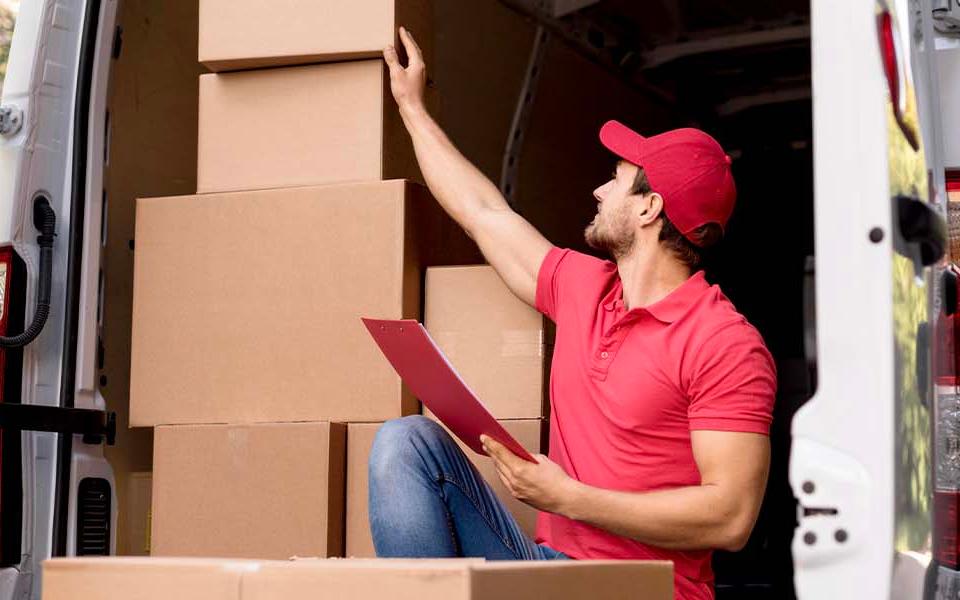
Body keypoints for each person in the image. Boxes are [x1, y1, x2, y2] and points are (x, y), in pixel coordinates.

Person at [367, 27, 777, 600]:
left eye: (616, 181)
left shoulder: (724, 342)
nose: (598, 192)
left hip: (646, 590)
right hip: (553, 568)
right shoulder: (585, 288)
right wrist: (411, 106)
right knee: (404, 444)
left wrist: (567, 498)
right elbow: (483, 212)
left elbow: (730, 517)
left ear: (650, 208)